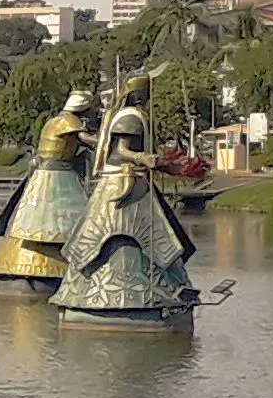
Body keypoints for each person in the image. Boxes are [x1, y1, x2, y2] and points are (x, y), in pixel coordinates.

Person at [52, 74, 197, 323]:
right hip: (124, 183)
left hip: (136, 182)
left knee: (164, 238)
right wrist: (143, 159)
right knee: (122, 235)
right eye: (144, 92)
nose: (148, 96)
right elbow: (121, 150)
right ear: (134, 93)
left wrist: (168, 167)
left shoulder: (137, 115)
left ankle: (165, 292)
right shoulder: (129, 116)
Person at [0, 89, 94, 291]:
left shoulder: (52, 121)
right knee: (64, 223)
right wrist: (108, 137)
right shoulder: (69, 122)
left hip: (42, 175)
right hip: (57, 176)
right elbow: (87, 140)